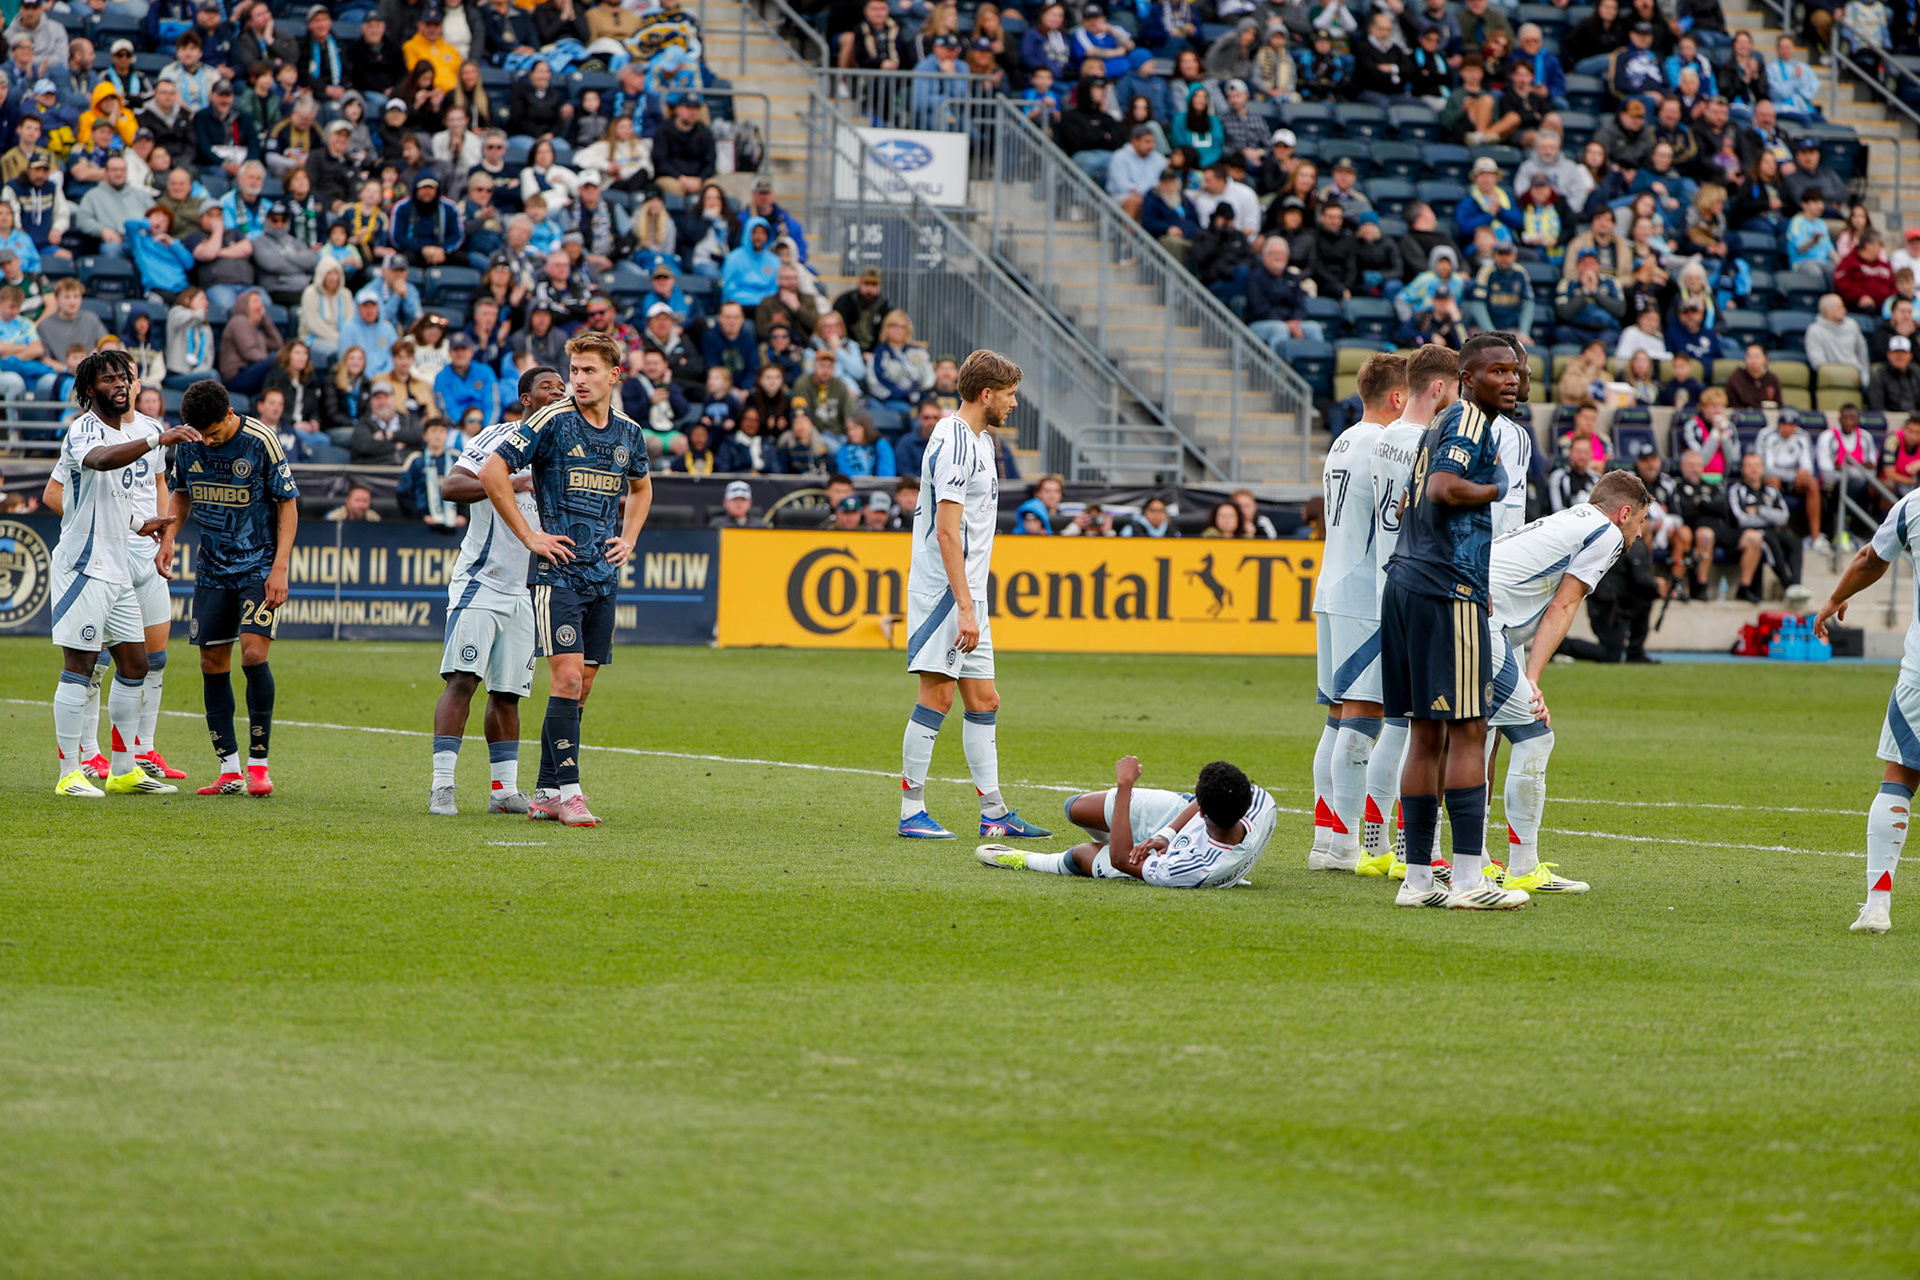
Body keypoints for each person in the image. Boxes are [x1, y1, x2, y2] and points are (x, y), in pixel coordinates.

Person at [1378, 333, 1529, 909]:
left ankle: (1418, 880)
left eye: (1514, 371)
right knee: (1469, 729)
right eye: (1497, 371)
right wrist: (1494, 488)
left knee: (1426, 733)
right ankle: (1467, 879)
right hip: (1445, 591)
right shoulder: (1468, 420)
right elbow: (1442, 489)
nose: (1510, 380)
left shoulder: (1441, 422)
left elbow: (1406, 504)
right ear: (1467, 378)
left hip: (1408, 583)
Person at [478, 332, 650, 828]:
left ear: (613, 376)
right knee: (567, 678)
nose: (578, 380)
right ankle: (572, 795)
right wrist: (530, 535)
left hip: (603, 575)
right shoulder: (551, 420)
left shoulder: (629, 432)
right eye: (574, 370)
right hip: (558, 575)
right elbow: (492, 471)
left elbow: (642, 487)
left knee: (582, 687)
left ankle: (548, 791)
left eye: (588, 370)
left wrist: (629, 538)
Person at [897, 350, 1049, 843]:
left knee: (985, 699)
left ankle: (994, 813)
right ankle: (911, 811)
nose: (1014, 403)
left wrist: (973, 602)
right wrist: (964, 605)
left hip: (968, 594)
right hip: (946, 592)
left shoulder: (981, 440)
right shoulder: (957, 440)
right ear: (987, 394)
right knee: (937, 696)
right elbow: (946, 531)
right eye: (1009, 394)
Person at [1479, 473, 1650, 892]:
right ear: (1624, 513)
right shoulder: (1606, 534)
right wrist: (1532, 678)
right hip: (1483, 622)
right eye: (1641, 521)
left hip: (1457, 607)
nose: (1640, 533)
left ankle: (1461, 859)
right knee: (1535, 737)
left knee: (1472, 734)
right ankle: (1523, 867)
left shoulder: (1569, 519)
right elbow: (1564, 605)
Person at [44, 351, 198, 797]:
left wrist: (138, 524)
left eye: (122, 378)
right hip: (84, 566)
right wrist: (157, 439)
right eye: (108, 379)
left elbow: (110, 496)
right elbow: (100, 462)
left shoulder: (129, 433)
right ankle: (69, 773)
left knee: (135, 664)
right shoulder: (85, 429)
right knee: (81, 665)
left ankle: (124, 768)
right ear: (89, 389)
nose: (119, 385)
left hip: (117, 567)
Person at [423, 366, 569, 815]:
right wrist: (510, 480)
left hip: (527, 590)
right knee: (463, 680)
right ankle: (442, 785)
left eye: (561, 388)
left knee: (508, 693)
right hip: (482, 582)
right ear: (526, 398)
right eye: (547, 387)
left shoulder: (567, 450)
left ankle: (504, 791)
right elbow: (451, 486)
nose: (557, 393)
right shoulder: (497, 437)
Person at [158, 378, 297, 798]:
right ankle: (229, 769)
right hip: (212, 568)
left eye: (215, 432)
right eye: (203, 434)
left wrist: (280, 568)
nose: (209, 441)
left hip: (258, 565)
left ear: (230, 414)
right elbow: (181, 494)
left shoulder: (260, 441)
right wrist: (169, 537)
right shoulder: (189, 443)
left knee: (253, 653)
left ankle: (259, 765)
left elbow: (288, 504)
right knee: (211, 662)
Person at [1304, 353, 1407, 876]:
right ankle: (1345, 847)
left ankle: (1326, 839)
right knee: (1364, 718)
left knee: (1337, 717)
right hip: (1365, 593)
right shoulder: (1384, 444)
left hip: (1332, 587)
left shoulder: (1344, 439)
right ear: (1398, 397)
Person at [1810, 479, 1920, 931]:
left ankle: (1877, 905)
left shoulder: (1914, 505)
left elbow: (1871, 558)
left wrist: (1836, 598)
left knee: (1900, 777)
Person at [978, 755, 1276, 887]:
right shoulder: (1261, 803)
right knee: (1076, 808)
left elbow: (1121, 859)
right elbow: (1203, 799)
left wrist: (1125, 786)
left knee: (1080, 856)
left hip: (1175, 857)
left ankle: (1023, 859)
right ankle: (1125, 832)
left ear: (1203, 812)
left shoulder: (1189, 869)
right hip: (1179, 822)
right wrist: (1167, 833)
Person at [1728, 450, 1798, 600]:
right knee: (1769, 541)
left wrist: (1759, 510)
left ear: (1762, 468)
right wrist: (1771, 517)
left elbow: (1783, 518)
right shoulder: (1737, 490)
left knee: (1793, 541)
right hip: (1749, 532)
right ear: (1743, 469)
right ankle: (1787, 586)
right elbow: (1742, 519)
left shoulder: (1771, 491)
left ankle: (1797, 584)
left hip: (1772, 530)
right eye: (1749, 466)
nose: (1753, 469)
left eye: (1757, 465)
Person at [1727, 343, 1782, 408]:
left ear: (1766, 359)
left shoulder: (1772, 379)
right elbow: (1732, 404)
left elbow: (1778, 404)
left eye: (1757, 356)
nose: (1753, 360)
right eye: (1749, 356)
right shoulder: (1736, 378)